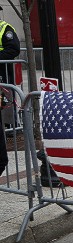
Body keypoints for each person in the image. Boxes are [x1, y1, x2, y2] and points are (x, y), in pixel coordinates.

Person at [0, 13, 20, 177]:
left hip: (2, 77)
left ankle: (11, 125)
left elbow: (13, 49)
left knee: (6, 106)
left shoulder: (5, 28)